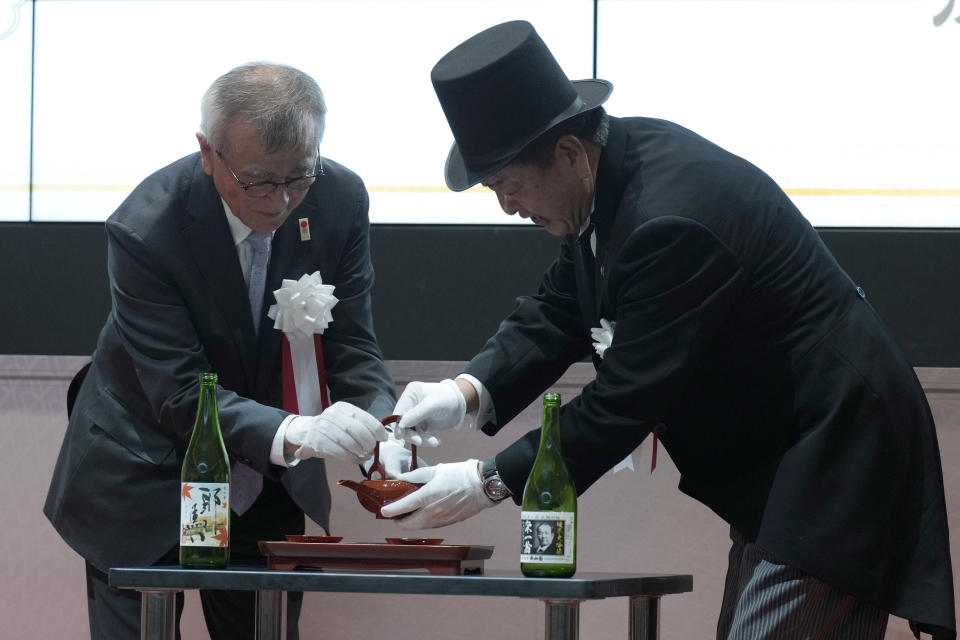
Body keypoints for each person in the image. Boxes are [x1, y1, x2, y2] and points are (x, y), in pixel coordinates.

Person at [380, 20, 956, 640]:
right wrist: (464, 392)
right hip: (787, 461)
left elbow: (628, 398)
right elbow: (558, 309)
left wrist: (484, 481)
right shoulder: (608, 178)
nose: (507, 208)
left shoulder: (670, 218)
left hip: (838, 454)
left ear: (569, 154)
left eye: (509, 185)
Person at [44, 62, 410, 640]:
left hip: (267, 475)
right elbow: (182, 392)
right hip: (146, 467)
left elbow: (353, 342)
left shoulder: (339, 199)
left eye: (299, 176)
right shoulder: (148, 227)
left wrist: (381, 430)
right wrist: (297, 432)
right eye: (259, 180)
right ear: (208, 152)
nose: (280, 201)